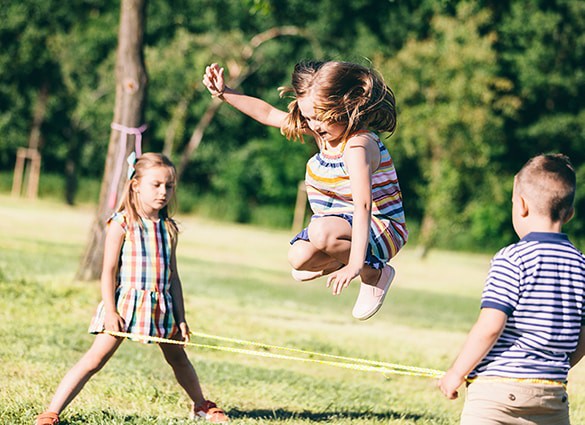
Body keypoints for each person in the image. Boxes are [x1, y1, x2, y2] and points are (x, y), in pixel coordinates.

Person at [202, 61, 408, 321]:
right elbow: (267, 114)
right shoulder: (322, 133)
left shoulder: (358, 146)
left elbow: (363, 206)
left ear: (345, 106)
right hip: (343, 227)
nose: (314, 125)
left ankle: (375, 273)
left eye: (321, 117)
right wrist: (224, 92)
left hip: (381, 227)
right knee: (298, 258)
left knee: (319, 232)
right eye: (309, 117)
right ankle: (344, 257)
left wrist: (356, 264)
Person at [36, 153, 228, 425]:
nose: (163, 192)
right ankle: (51, 412)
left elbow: (173, 277)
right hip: (126, 305)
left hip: (162, 308)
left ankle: (201, 405)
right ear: (136, 185)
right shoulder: (121, 223)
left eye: (169, 186)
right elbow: (108, 272)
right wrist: (111, 311)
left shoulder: (169, 228)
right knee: (94, 360)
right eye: (156, 185)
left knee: (179, 359)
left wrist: (181, 318)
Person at [438, 153, 585, 425]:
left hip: (496, 393)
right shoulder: (581, 265)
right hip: (553, 396)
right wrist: (550, 372)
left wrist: (457, 372)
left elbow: (491, 325)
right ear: (570, 213)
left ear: (522, 206)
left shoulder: (512, 258)